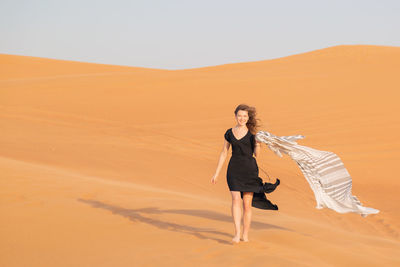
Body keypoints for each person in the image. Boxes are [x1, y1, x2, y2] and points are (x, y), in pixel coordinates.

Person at [211, 104, 280, 244]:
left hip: (249, 170)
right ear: (235, 116)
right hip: (234, 170)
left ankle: (245, 234)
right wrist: (216, 173)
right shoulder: (229, 133)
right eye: (239, 116)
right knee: (235, 200)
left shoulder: (253, 135)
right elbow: (224, 153)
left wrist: (258, 143)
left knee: (247, 205)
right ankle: (237, 233)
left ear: (248, 118)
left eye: (244, 116)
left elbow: (257, 155)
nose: (242, 118)